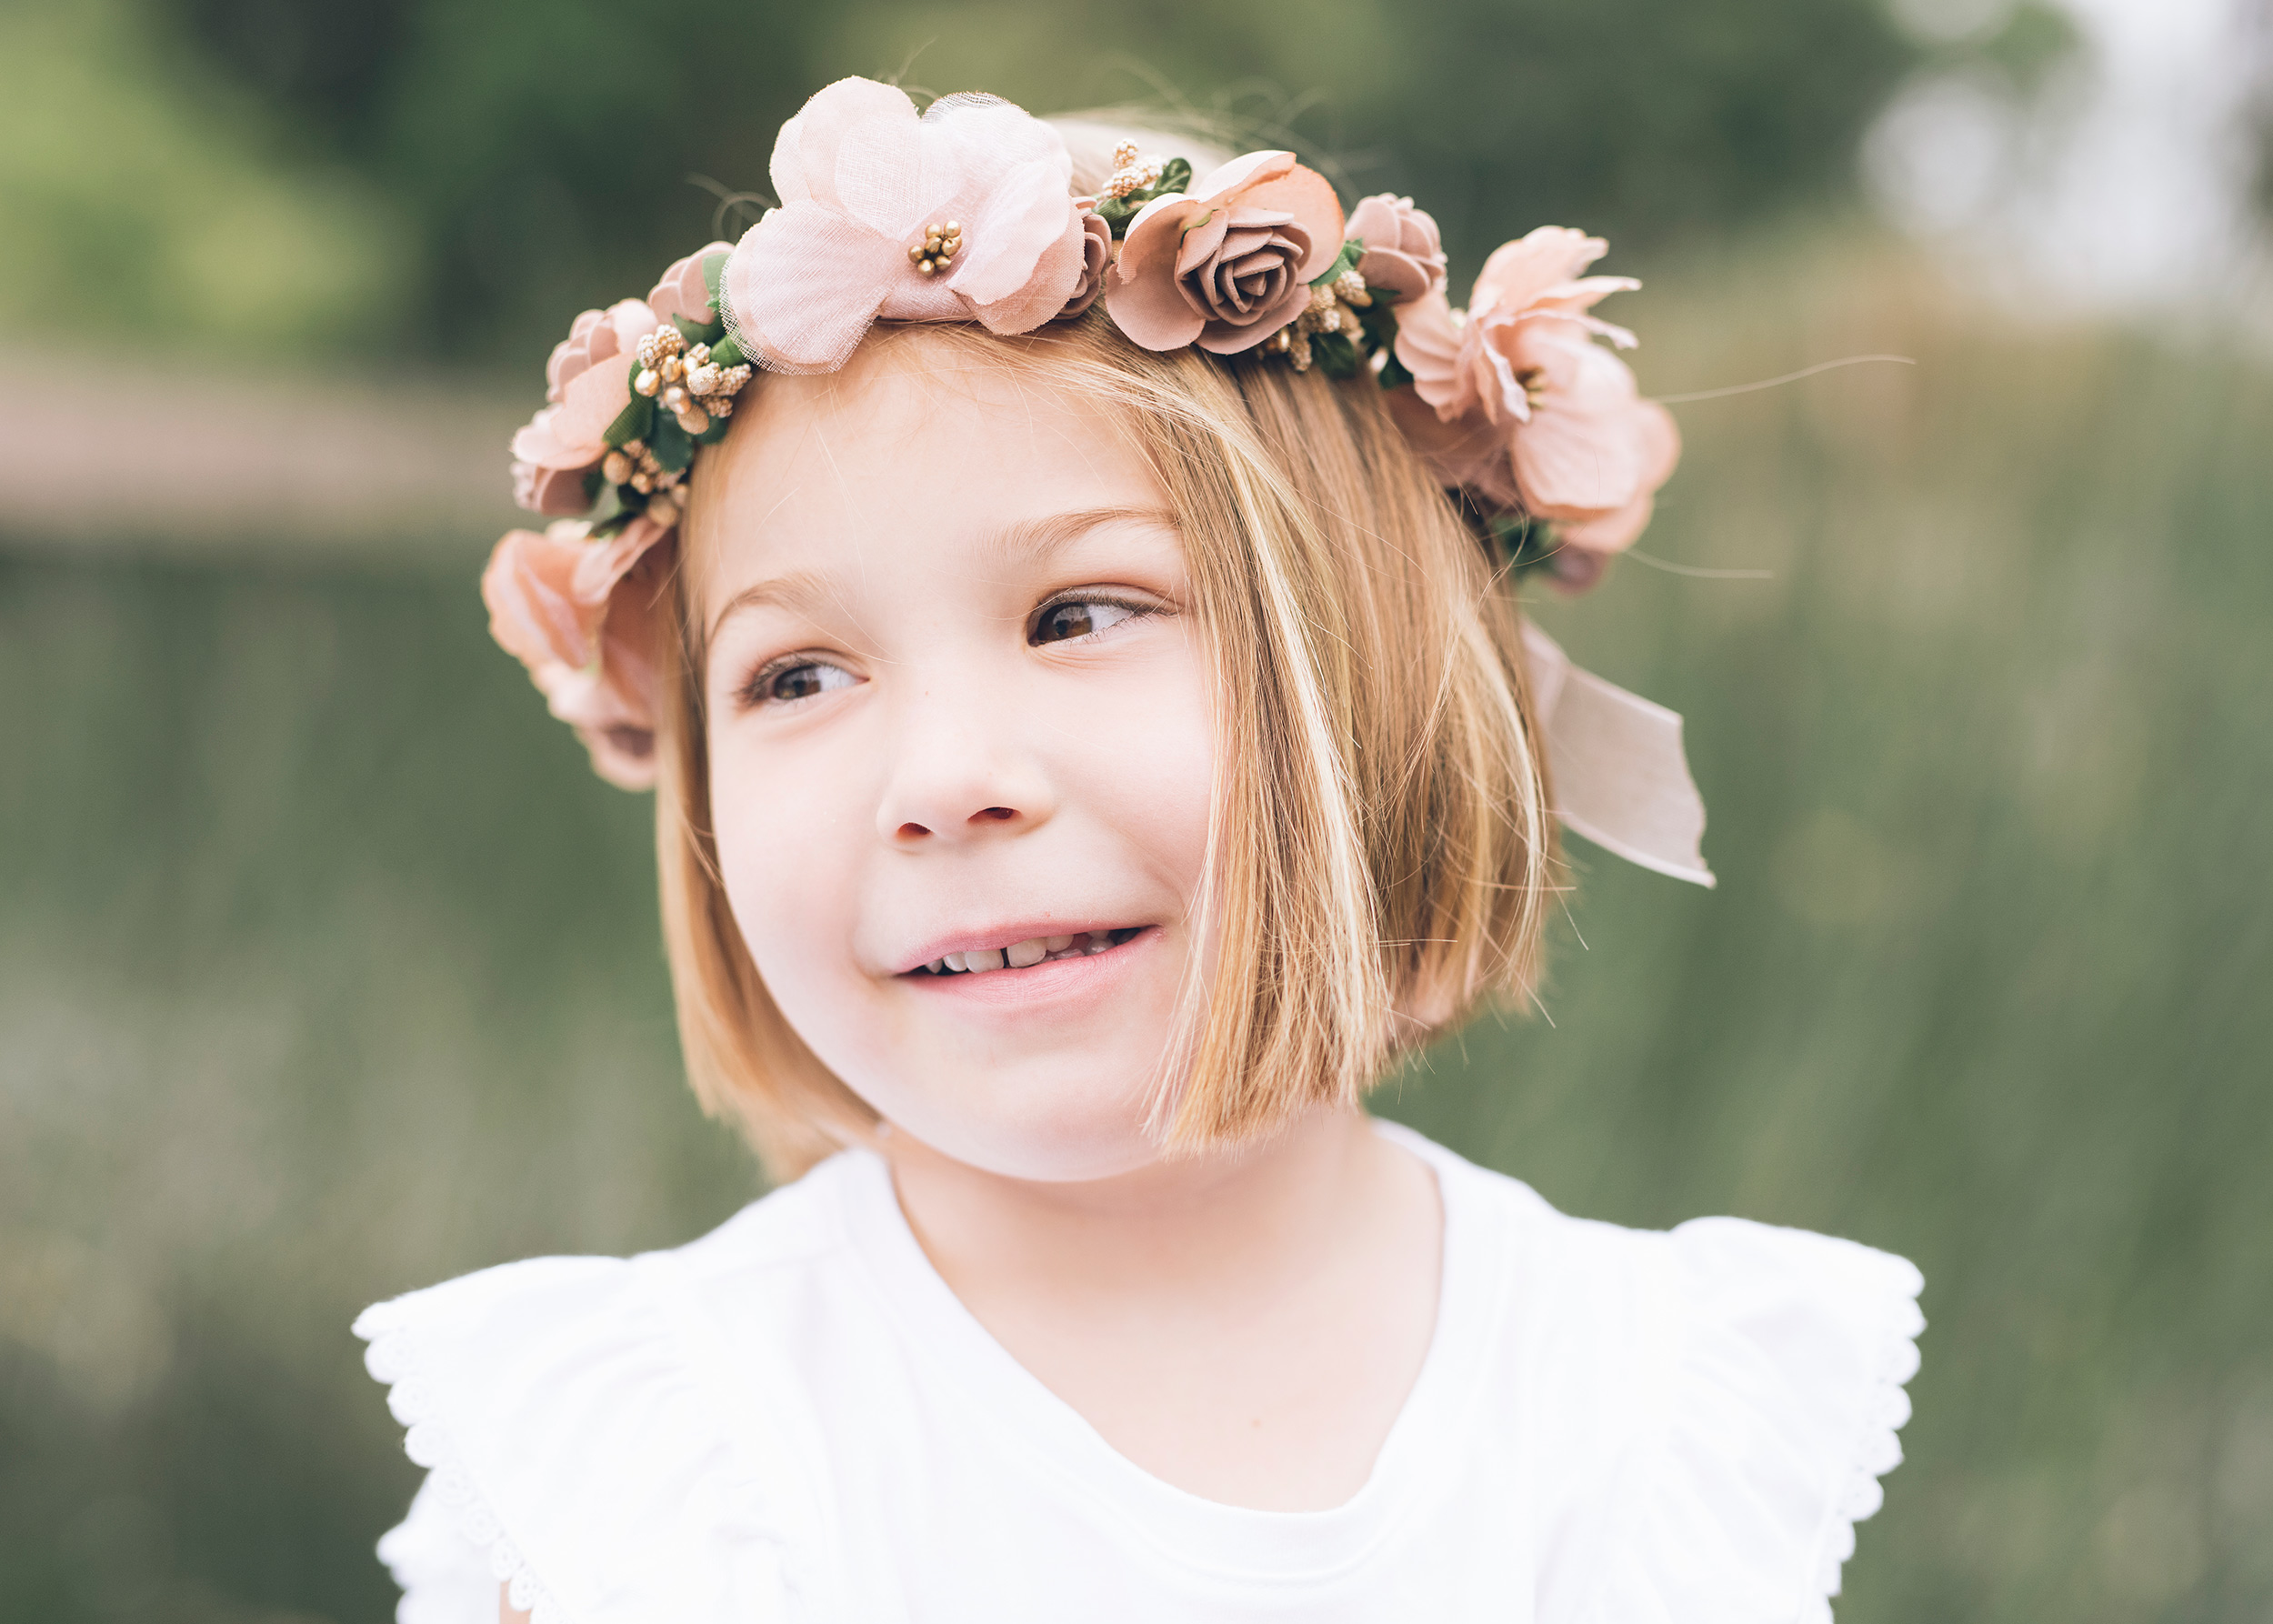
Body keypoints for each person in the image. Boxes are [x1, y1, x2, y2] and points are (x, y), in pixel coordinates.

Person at [355, 76, 1922, 1623]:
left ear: (1377, 665)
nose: (946, 780)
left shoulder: (1644, 1415)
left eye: (1081, 613)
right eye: (799, 675)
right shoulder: (664, 1481)